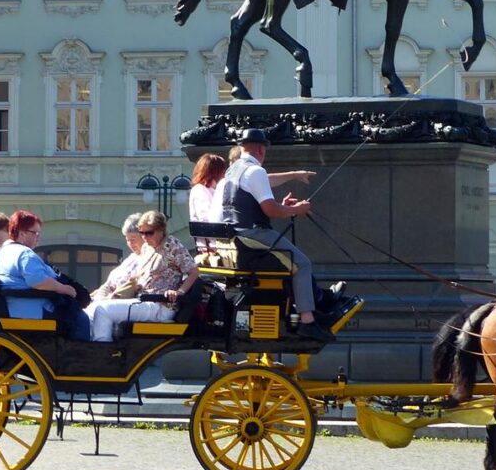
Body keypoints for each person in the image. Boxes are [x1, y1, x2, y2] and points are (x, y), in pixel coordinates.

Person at [210, 128, 333, 341]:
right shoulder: (254, 171)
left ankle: (313, 301)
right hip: (251, 235)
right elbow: (270, 210)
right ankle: (307, 320)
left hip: (234, 236)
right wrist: (297, 210)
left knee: (289, 263)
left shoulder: (233, 171)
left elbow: (264, 183)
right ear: (261, 149)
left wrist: (294, 176)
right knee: (301, 263)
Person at [90, 210, 199, 342]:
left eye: (149, 233)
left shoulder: (172, 245)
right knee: (96, 306)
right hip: (143, 300)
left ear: (161, 230)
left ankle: (102, 352)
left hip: (159, 305)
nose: (145, 238)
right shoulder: (147, 248)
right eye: (142, 233)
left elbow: (193, 271)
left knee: (102, 310)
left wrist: (179, 292)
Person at [0, 210, 90, 340]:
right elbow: (37, 280)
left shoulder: (4, 251)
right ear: (22, 233)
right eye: (35, 233)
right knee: (81, 318)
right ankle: (79, 358)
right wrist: (64, 289)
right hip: (32, 309)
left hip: (15, 305)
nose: (38, 237)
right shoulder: (24, 254)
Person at [90, 213, 145, 301]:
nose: (130, 244)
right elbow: (108, 283)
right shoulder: (131, 258)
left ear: (143, 237)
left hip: (120, 301)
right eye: (127, 240)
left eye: (133, 239)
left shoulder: (147, 259)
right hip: (106, 298)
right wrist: (98, 297)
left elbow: (132, 285)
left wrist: (106, 299)